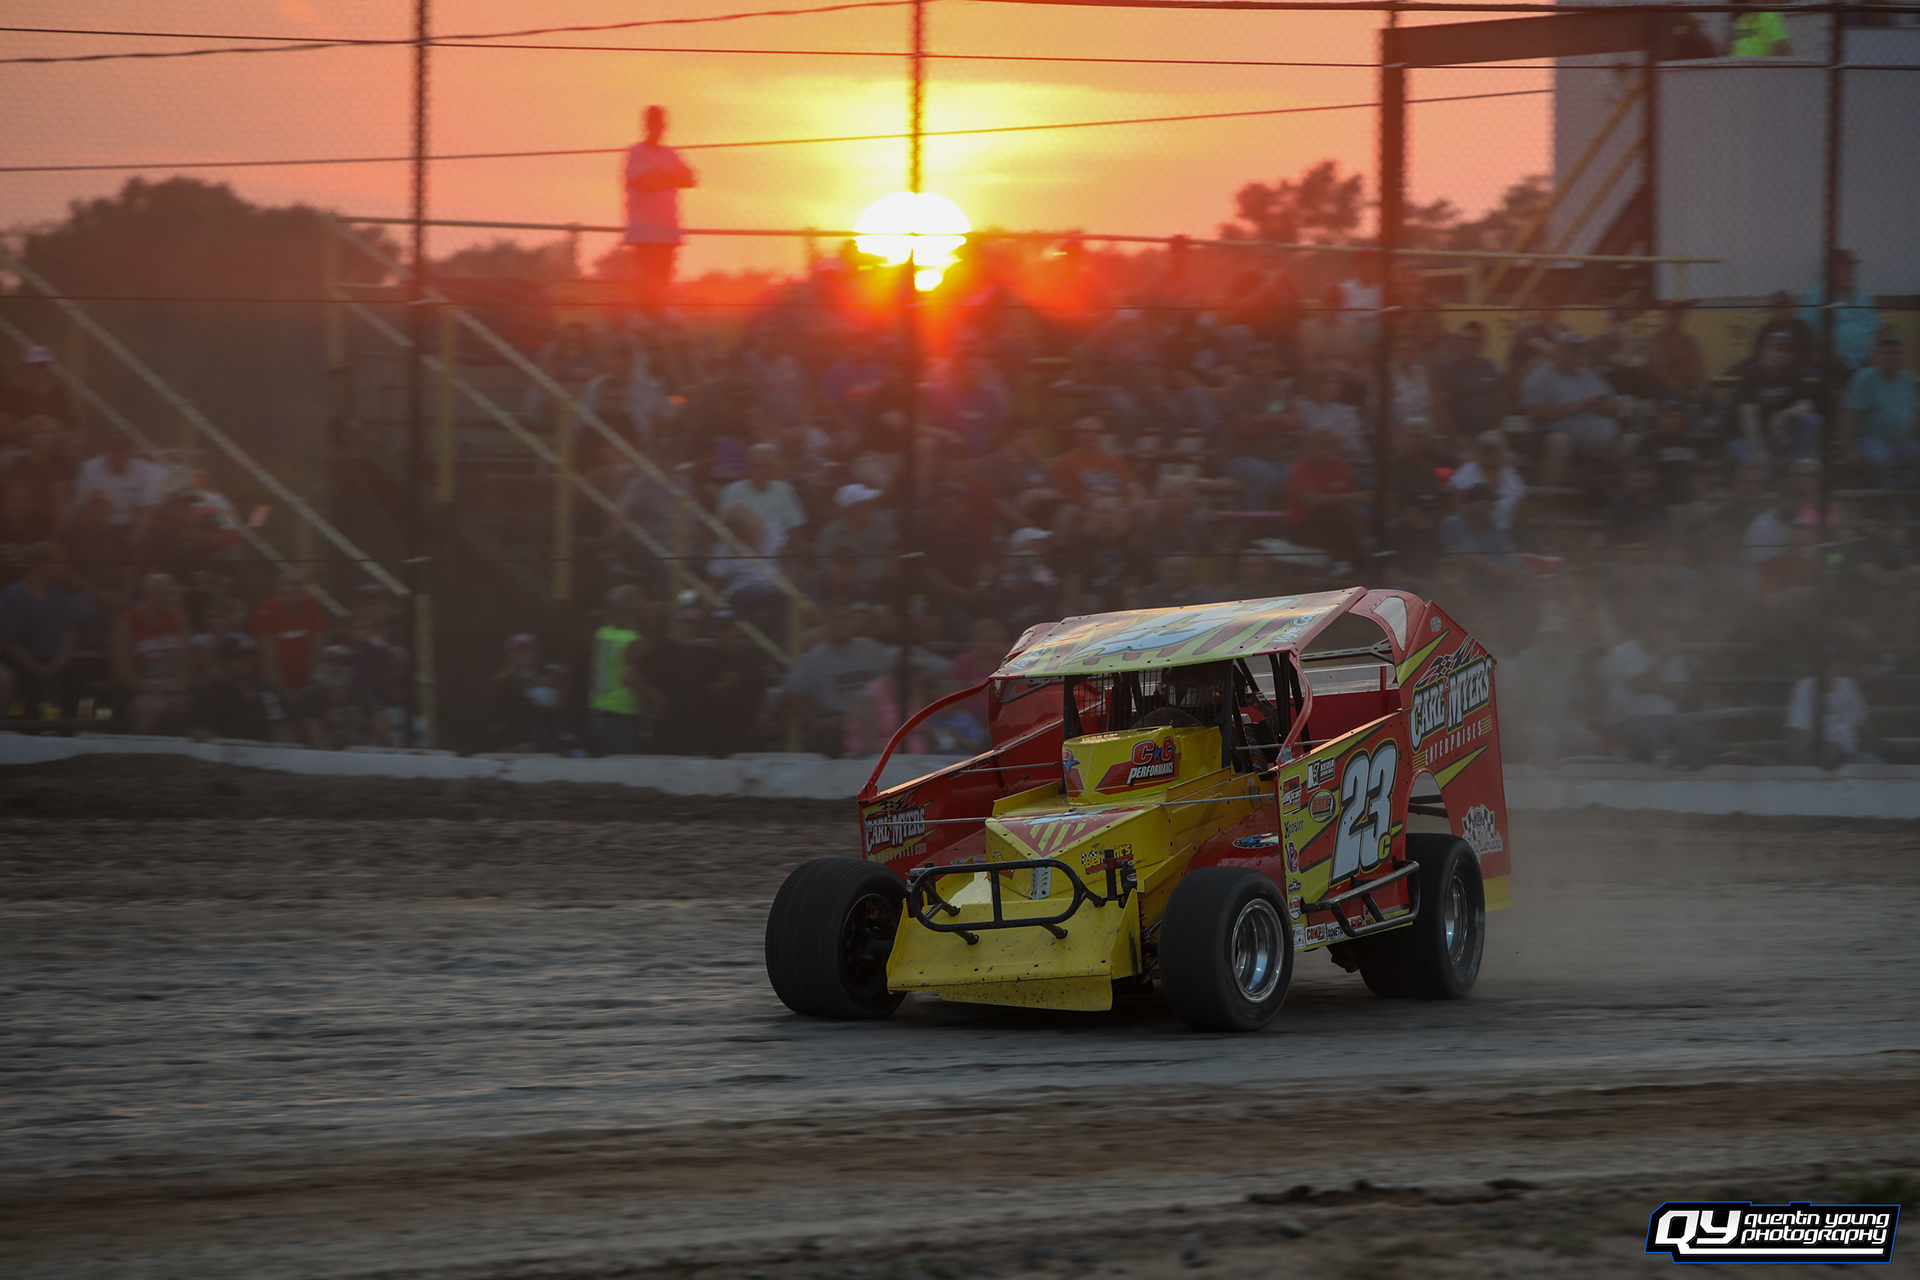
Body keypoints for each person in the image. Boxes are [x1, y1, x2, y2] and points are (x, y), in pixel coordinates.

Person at [779, 604, 894, 757]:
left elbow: (893, 675)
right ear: (826, 624)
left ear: (854, 621)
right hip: (840, 726)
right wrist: (816, 721)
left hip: (879, 721)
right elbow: (790, 691)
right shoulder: (815, 657)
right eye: (836, 619)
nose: (842, 624)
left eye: (846, 618)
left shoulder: (872, 649)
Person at [1600, 612, 1709, 768]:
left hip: (1668, 718)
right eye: (1659, 627)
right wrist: (1662, 660)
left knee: (1697, 738)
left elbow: (1684, 692)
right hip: (1629, 719)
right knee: (1652, 741)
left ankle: (1681, 777)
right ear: (1643, 629)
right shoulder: (1622, 652)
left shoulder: (1672, 656)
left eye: (1666, 628)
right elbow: (1641, 685)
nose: (1665, 633)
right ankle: (1650, 780)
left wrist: (1653, 685)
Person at [0, 543, 95, 716]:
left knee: (77, 673)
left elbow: (69, 633)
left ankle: (68, 726)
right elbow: (11, 643)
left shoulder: (61, 594)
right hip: (24, 662)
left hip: (55, 660)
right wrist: (37, 668)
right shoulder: (13, 595)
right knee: (29, 681)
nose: (62, 568)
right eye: (57, 563)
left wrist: (59, 662)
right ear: (40, 565)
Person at [1521, 332, 1625, 488]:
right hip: (1563, 442)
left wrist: (1597, 406)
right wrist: (1578, 405)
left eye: (1580, 351)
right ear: (1558, 351)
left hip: (1604, 442)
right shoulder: (1539, 377)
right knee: (1559, 442)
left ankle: (1620, 499)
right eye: (1572, 351)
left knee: (1631, 442)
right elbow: (1537, 413)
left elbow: (1614, 406)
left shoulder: (1589, 375)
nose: (1577, 356)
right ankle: (1547, 499)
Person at [622, 104, 696, 314]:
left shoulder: (670, 154)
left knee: (663, 282)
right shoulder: (636, 153)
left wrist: (659, 177)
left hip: (667, 230)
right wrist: (671, 178)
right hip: (644, 230)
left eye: (661, 124)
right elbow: (644, 182)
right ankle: (646, 318)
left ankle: (659, 319)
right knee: (648, 281)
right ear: (646, 126)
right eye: (653, 124)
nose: (658, 128)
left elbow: (690, 179)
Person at [1731, 329, 1825, 467]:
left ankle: (1802, 465)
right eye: (1776, 349)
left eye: (1788, 351)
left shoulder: (1792, 374)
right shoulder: (1750, 375)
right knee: (1754, 463)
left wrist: (1784, 415)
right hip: (1745, 439)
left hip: (1777, 438)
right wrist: (1760, 452)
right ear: (1763, 350)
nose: (1782, 354)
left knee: (1810, 420)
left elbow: (1807, 404)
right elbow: (1748, 418)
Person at [113, 571, 191, 735]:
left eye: (173, 593)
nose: (173, 599)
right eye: (167, 594)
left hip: (173, 690)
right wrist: (154, 693)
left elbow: (185, 665)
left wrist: (176, 691)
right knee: (153, 707)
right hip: (140, 692)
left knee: (188, 706)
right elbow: (124, 671)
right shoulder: (126, 623)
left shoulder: (180, 620)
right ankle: (136, 747)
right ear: (151, 596)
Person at [1279, 425, 1365, 571]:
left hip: (1336, 525)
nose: (1323, 448)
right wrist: (1349, 497)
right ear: (1309, 446)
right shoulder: (1300, 467)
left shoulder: (1340, 466)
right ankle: (1342, 562)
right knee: (1329, 510)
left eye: (1328, 444)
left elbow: (1351, 505)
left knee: (1346, 514)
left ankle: (1357, 561)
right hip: (1301, 529)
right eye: (1318, 444)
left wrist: (1351, 503)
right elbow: (1311, 501)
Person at [1841, 332, 1919, 487]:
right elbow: (1848, 416)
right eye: (1886, 352)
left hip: (1904, 441)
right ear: (1876, 355)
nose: (1891, 356)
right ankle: (1889, 494)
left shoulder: (1908, 379)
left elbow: (1916, 414)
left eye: (1895, 352)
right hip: (1871, 440)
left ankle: (1903, 491)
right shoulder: (1863, 378)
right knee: (1881, 460)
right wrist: (1849, 451)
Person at [252, 567, 330, 701]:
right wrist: (284, 693)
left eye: (299, 584)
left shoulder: (313, 607)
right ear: (279, 586)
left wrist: (311, 691)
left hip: (308, 687)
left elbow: (318, 653)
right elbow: (269, 658)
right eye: (289, 583)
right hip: (276, 687)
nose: (293, 589)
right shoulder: (265, 609)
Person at [813, 483, 899, 604]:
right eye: (864, 505)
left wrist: (883, 579)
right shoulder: (829, 533)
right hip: (845, 589)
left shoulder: (883, 523)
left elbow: (894, 553)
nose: (870, 508)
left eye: (870, 504)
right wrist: (853, 582)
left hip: (883, 585)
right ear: (849, 510)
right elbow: (825, 566)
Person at [1800, 249, 1883, 373]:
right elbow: (1805, 331)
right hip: (1833, 364)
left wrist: (1877, 354)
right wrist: (1822, 352)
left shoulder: (1862, 297)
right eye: (1841, 268)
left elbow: (1877, 329)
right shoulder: (1816, 296)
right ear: (1830, 271)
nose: (1847, 272)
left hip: (1866, 362)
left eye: (1849, 268)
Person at [589, 584, 648, 755]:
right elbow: (629, 676)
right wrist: (655, 697)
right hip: (622, 714)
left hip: (599, 711)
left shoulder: (602, 634)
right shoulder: (632, 639)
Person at [71, 430, 167, 534]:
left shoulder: (149, 470)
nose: (119, 453)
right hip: (100, 528)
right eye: (114, 448)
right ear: (106, 450)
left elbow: (148, 511)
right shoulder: (89, 468)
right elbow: (82, 509)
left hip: (135, 528)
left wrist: (135, 537)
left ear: (132, 451)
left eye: (124, 449)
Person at [187, 634, 277, 743]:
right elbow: (198, 728)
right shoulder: (208, 692)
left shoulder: (263, 688)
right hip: (226, 750)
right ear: (223, 661)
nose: (247, 662)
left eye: (250, 657)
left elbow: (280, 722)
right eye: (240, 658)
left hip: (267, 750)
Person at [488, 634, 569, 754]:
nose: (522, 655)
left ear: (537, 653)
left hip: (547, 738)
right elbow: (496, 718)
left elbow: (562, 706)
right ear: (508, 655)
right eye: (516, 651)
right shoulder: (501, 682)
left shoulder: (550, 677)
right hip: (515, 739)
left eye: (528, 650)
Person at [715, 443, 808, 544]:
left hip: (781, 548)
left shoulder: (785, 489)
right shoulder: (731, 491)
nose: (762, 471)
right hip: (745, 547)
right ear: (748, 467)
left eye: (767, 466)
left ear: (774, 467)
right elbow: (723, 530)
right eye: (757, 466)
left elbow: (795, 528)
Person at [1434, 322, 1503, 442]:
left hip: (1487, 437)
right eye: (1464, 339)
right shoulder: (1447, 369)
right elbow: (1441, 407)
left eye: (1473, 340)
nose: (1467, 343)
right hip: (1458, 439)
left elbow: (1498, 403)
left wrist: (1494, 432)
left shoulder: (1490, 367)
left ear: (1482, 343)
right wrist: (1456, 437)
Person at [1447, 430, 1526, 532]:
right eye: (1483, 449)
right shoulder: (1467, 471)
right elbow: (1456, 504)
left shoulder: (1511, 475)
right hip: (1471, 530)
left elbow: (1521, 508)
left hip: (1505, 532)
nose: (1487, 453)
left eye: (1492, 449)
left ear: (1501, 453)